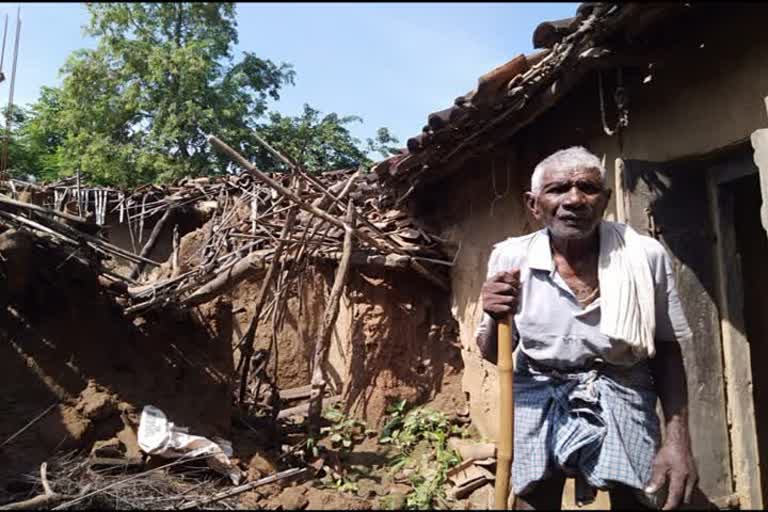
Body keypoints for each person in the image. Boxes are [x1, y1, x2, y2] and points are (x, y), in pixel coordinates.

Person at [476, 147, 698, 510]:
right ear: (534, 204)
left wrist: (677, 443)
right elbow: (491, 351)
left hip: (622, 382)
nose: (574, 199)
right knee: (532, 498)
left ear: (606, 200)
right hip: (538, 389)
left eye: (587, 188)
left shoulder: (644, 255)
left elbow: (667, 351)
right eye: (558, 189)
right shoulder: (511, 259)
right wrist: (492, 311)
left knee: (642, 496)